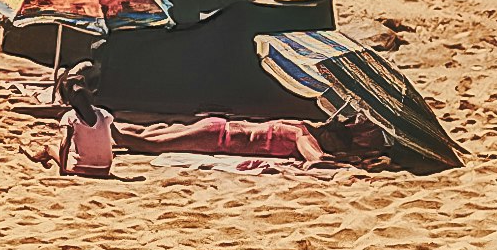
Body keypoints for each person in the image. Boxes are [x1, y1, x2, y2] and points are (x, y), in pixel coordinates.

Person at [114, 111, 381, 167]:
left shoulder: (301, 124)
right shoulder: (303, 133)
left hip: (218, 129)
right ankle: (95, 121)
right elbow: (317, 159)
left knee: (149, 133)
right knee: (148, 143)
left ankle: (101, 123)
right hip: (218, 137)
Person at [51, 63, 118, 178]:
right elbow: (117, 138)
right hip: (104, 169)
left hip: (79, 168)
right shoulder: (104, 114)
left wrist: (62, 170)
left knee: (50, 148)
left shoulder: (69, 117)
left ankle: (39, 155)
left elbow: (64, 144)